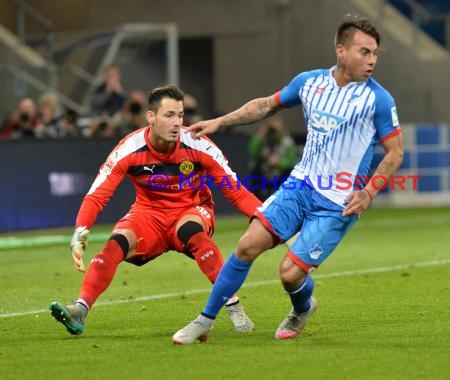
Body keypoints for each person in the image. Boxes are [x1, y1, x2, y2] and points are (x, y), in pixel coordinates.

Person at [172, 15, 404, 344]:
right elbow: (266, 105)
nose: (372, 61)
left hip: (338, 202)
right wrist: (221, 121)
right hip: (299, 186)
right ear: (341, 50)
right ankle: (204, 320)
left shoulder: (378, 99)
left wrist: (367, 192)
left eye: (375, 54)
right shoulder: (309, 83)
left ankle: (303, 307)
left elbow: (395, 153)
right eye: (364, 52)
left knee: (289, 273)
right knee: (247, 244)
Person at [50, 85, 260, 336]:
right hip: (148, 214)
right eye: (169, 115)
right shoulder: (129, 148)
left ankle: (234, 307)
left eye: (180, 115)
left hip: (192, 209)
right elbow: (98, 193)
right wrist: (81, 228)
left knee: (193, 233)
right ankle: (80, 310)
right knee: (114, 244)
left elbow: (235, 190)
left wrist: (270, 221)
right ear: (151, 117)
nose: (177, 123)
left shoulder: (199, 144)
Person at [248, 115, 297, 200]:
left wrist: (278, 162)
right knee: (255, 171)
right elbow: (253, 152)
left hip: (280, 173)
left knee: (288, 175)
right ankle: (256, 204)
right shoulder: (262, 139)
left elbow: (291, 160)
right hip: (263, 172)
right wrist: (261, 135)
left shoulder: (287, 142)